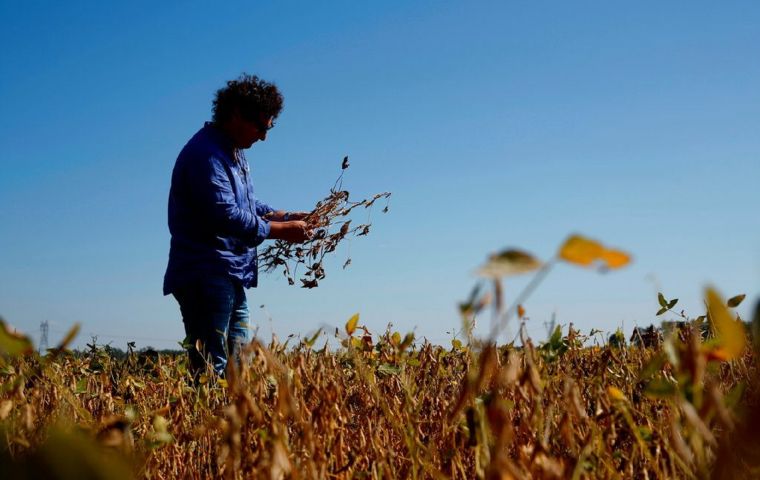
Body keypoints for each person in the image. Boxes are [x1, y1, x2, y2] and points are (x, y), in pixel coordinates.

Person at [163, 74, 311, 376]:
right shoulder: (206, 155)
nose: (263, 136)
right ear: (236, 115)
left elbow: (248, 206)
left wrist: (286, 216)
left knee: (237, 367)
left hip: (229, 271)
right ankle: (206, 422)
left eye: (269, 128)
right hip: (205, 272)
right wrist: (281, 232)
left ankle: (229, 421)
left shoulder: (233, 154)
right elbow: (225, 214)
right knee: (211, 367)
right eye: (260, 126)